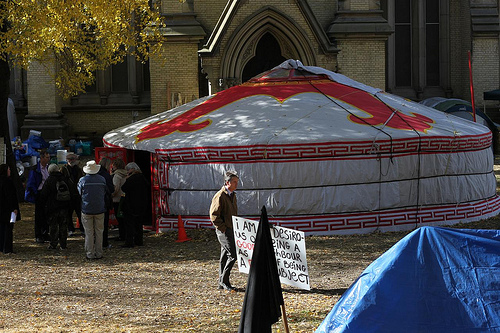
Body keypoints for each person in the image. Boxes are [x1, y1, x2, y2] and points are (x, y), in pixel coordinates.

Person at [209, 170, 239, 291]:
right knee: (233, 255)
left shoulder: (232, 195)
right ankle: (224, 280)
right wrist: (224, 229)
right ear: (227, 182)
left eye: (237, 182)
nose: (237, 184)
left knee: (225, 257)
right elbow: (213, 215)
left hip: (231, 229)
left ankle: (221, 283)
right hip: (224, 230)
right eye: (234, 182)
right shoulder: (220, 196)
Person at [78, 160, 109, 260]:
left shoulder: (82, 180)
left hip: (87, 208)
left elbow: (79, 193)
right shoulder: (102, 179)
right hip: (100, 208)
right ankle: (99, 252)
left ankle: (90, 253)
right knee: (99, 231)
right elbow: (105, 192)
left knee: (89, 232)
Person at [40, 164, 73, 250]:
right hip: (64, 206)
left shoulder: (49, 180)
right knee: (63, 226)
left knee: (53, 227)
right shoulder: (64, 179)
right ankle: (63, 244)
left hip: (53, 207)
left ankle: (53, 244)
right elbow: (71, 191)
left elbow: (44, 195)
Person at [121, 162, 150, 248]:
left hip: (131, 204)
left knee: (129, 224)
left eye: (128, 170)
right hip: (141, 203)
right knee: (139, 223)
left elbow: (124, 188)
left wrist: (127, 179)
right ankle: (139, 240)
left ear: (132, 169)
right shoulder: (142, 177)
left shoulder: (132, 178)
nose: (127, 171)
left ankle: (129, 242)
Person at [25, 149, 51, 243]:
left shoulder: (48, 168)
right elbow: (31, 183)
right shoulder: (35, 169)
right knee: (39, 215)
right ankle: (38, 234)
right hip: (39, 193)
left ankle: (45, 233)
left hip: (47, 194)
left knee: (47, 214)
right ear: (42, 158)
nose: (48, 159)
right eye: (47, 157)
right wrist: (35, 194)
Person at [60, 153, 84, 235]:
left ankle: (82, 228)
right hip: (68, 195)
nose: (71, 160)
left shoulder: (79, 169)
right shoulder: (64, 169)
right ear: (67, 160)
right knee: (68, 214)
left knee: (80, 213)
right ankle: (70, 229)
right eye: (69, 159)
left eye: (73, 159)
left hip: (77, 194)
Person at [0, 164, 21, 254]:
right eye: (8, 169)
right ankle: (7, 248)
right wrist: (14, 208)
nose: (10, 171)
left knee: (1, 229)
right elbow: (11, 196)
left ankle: (2, 247)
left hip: (1, 208)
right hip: (7, 209)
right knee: (8, 229)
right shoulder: (7, 182)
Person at [97, 157, 114, 248]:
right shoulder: (106, 175)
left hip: (94, 202)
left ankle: (95, 242)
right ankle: (104, 242)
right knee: (104, 223)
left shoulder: (95, 174)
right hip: (104, 201)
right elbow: (111, 189)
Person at [111, 158, 127, 241]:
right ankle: (125, 234)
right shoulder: (126, 174)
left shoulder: (117, 175)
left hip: (117, 199)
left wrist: (111, 195)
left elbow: (116, 188)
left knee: (120, 219)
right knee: (124, 218)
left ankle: (122, 235)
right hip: (124, 197)